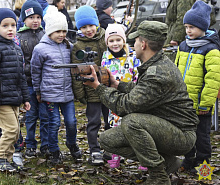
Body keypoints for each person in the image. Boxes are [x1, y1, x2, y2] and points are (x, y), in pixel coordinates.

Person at [83, 20, 199, 185]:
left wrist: (98, 87)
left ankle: (158, 175)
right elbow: (141, 90)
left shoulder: (157, 73)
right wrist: (117, 84)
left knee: (131, 121)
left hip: (181, 135)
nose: (133, 44)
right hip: (167, 126)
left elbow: (126, 106)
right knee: (108, 139)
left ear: (143, 44)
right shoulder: (156, 65)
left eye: (135, 41)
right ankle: (167, 163)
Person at [31, 6, 81, 166]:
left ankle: (71, 144)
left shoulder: (69, 47)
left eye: (64, 31)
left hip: (67, 94)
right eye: (58, 31)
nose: (61, 35)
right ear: (49, 31)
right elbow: (35, 71)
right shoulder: (40, 49)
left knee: (72, 122)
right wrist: (38, 90)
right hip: (50, 95)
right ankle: (54, 151)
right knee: (53, 124)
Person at [0, 8, 30, 172]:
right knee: (10, 129)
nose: (10, 29)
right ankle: (0, 159)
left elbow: (21, 76)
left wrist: (26, 98)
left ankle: (8, 159)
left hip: (14, 98)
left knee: (15, 132)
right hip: (0, 99)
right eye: (5, 26)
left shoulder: (15, 48)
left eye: (13, 25)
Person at [175, 0, 220, 173]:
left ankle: (204, 166)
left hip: (201, 104)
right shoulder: (183, 46)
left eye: (192, 27)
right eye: (186, 27)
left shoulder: (211, 50)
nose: (188, 31)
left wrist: (205, 104)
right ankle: (189, 159)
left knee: (202, 136)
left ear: (203, 27)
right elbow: (177, 73)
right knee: (187, 133)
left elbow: (213, 79)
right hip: (184, 102)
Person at [101, 23, 140, 168]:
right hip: (114, 98)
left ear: (123, 40)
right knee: (114, 127)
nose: (115, 43)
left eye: (118, 40)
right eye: (111, 41)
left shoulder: (132, 56)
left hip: (130, 96)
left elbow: (137, 75)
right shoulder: (106, 57)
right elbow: (104, 76)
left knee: (133, 126)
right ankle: (115, 156)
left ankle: (141, 158)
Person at [73, 5, 107, 166]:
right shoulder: (78, 47)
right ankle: (94, 150)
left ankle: (110, 149)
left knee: (110, 121)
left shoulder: (106, 37)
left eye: (91, 25)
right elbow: (76, 73)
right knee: (94, 122)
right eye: (84, 27)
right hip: (91, 91)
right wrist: (80, 94)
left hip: (108, 89)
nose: (88, 30)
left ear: (97, 23)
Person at [17, 0, 49, 158]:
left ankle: (46, 144)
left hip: (44, 84)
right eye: (31, 17)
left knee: (45, 116)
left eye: (38, 17)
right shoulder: (19, 37)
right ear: (24, 19)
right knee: (30, 116)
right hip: (28, 84)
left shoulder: (46, 35)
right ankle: (30, 144)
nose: (35, 21)